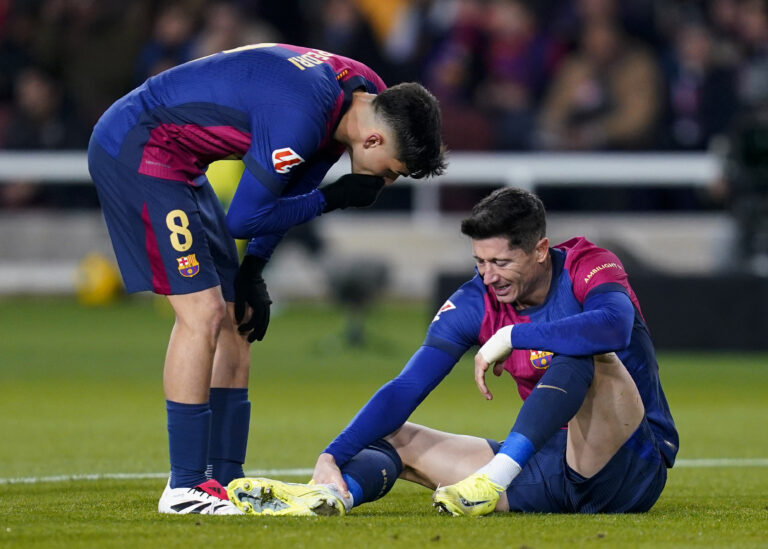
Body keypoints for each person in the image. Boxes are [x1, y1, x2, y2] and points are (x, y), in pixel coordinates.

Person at [87, 42, 446, 515]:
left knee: (236, 317)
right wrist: (334, 199)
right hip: (139, 148)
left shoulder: (365, 93)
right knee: (203, 313)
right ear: (375, 141)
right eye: (392, 173)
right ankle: (185, 489)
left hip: (182, 161)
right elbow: (245, 217)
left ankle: (225, 480)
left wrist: (254, 267)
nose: (386, 184)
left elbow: (297, 181)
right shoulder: (301, 114)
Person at [227, 187, 678, 516]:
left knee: (585, 351)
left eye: (501, 262)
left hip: (630, 466)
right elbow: (407, 386)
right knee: (391, 437)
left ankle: (493, 478)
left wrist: (512, 338)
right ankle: (329, 497)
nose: (489, 276)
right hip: (549, 467)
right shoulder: (475, 301)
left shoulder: (587, 265)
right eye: (479, 262)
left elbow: (613, 327)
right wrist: (333, 453)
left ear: (541, 250)